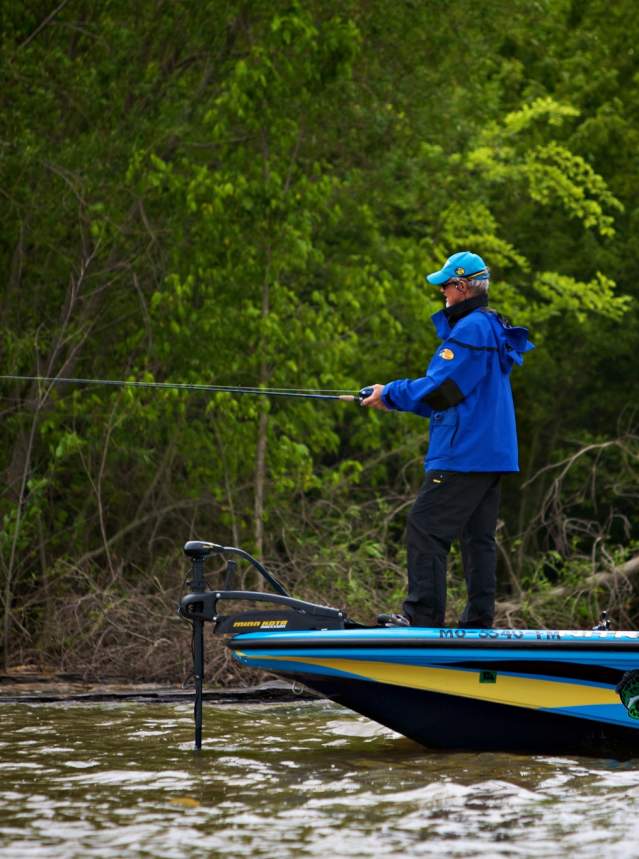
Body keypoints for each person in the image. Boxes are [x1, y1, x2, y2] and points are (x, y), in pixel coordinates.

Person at [362, 251, 533, 628]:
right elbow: (452, 395)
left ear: (461, 287)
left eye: (445, 285)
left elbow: (439, 385)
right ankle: (477, 624)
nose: (441, 291)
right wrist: (392, 401)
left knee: (425, 528)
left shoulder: (470, 328)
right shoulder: (490, 325)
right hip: (491, 454)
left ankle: (421, 620)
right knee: (477, 541)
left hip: (463, 453)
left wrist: (388, 392)